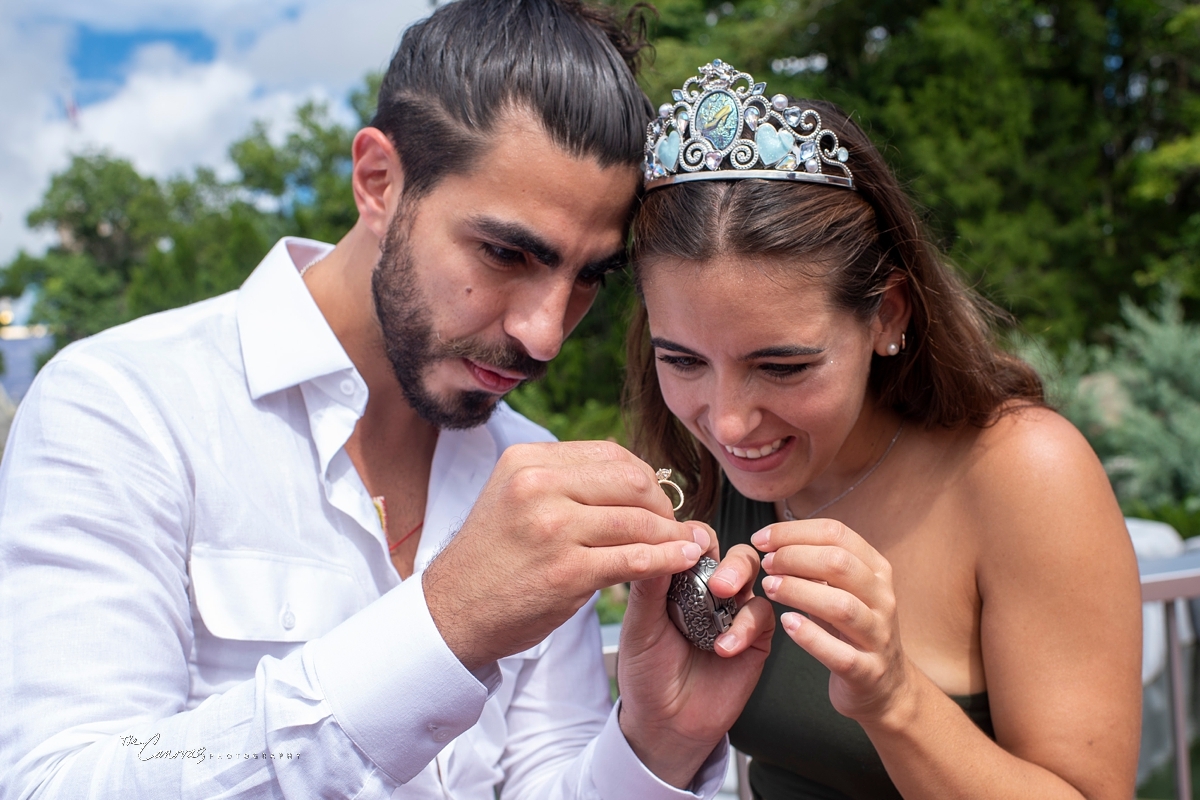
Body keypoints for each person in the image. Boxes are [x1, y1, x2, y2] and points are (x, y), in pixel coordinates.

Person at [0, 9, 776, 798]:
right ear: (378, 181)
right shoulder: (123, 409)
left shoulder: (532, 467)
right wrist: (443, 627)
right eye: (506, 253)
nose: (545, 335)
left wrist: (658, 745)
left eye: (588, 278)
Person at [626, 59, 1141, 799]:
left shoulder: (1024, 472)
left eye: (781, 366)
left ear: (889, 315)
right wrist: (663, 727)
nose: (728, 419)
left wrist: (896, 700)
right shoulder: (694, 471)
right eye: (681, 360)